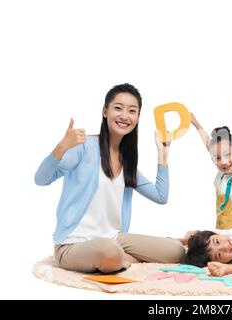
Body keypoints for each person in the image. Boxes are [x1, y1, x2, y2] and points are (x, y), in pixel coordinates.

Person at [35, 83, 185, 273]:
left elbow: (160, 196)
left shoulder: (127, 161)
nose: (124, 116)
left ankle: (118, 259)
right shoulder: (84, 147)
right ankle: (119, 259)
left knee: (176, 251)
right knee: (110, 250)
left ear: (138, 117)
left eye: (132, 111)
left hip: (114, 238)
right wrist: (62, 147)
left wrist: (163, 154)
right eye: (118, 108)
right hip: (73, 244)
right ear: (105, 112)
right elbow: (41, 179)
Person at [190, 91, 232, 229]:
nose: (224, 161)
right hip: (221, 240)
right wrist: (195, 123)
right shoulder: (222, 177)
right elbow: (209, 145)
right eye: (218, 158)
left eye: (228, 154)